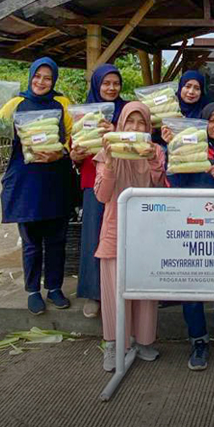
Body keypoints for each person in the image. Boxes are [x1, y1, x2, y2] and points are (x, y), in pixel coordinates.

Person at [163, 102, 214, 370]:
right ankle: (198, 340)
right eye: (212, 121)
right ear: (203, 124)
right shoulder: (191, 144)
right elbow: (174, 181)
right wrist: (172, 147)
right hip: (194, 222)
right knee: (192, 282)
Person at [0, 57, 76, 316]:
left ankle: (54, 288)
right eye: (37, 76)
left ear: (54, 80)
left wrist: (60, 152)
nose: (41, 82)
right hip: (26, 182)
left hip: (56, 179)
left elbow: (73, 137)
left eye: (47, 78)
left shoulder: (62, 103)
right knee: (31, 242)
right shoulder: (16, 103)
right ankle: (32, 290)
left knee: (57, 240)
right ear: (30, 77)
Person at [93, 101, 167, 372]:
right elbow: (102, 195)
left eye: (141, 123)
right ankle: (113, 344)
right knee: (115, 291)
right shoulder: (107, 150)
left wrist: (152, 160)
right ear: (121, 125)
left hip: (147, 229)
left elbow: (161, 186)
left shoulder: (155, 150)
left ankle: (143, 341)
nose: (135, 128)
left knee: (144, 287)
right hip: (115, 228)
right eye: (130, 122)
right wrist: (111, 162)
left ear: (148, 127)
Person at [68, 64, 123, 319]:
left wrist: (117, 133)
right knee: (93, 236)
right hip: (94, 181)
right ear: (96, 85)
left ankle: (121, 290)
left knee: (122, 238)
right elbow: (76, 149)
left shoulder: (126, 110)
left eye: (116, 83)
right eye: (106, 83)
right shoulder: (83, 114)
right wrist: (75, 155)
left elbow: (139, 140)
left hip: (123, 182)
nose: (111, 88)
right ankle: (93, 293)